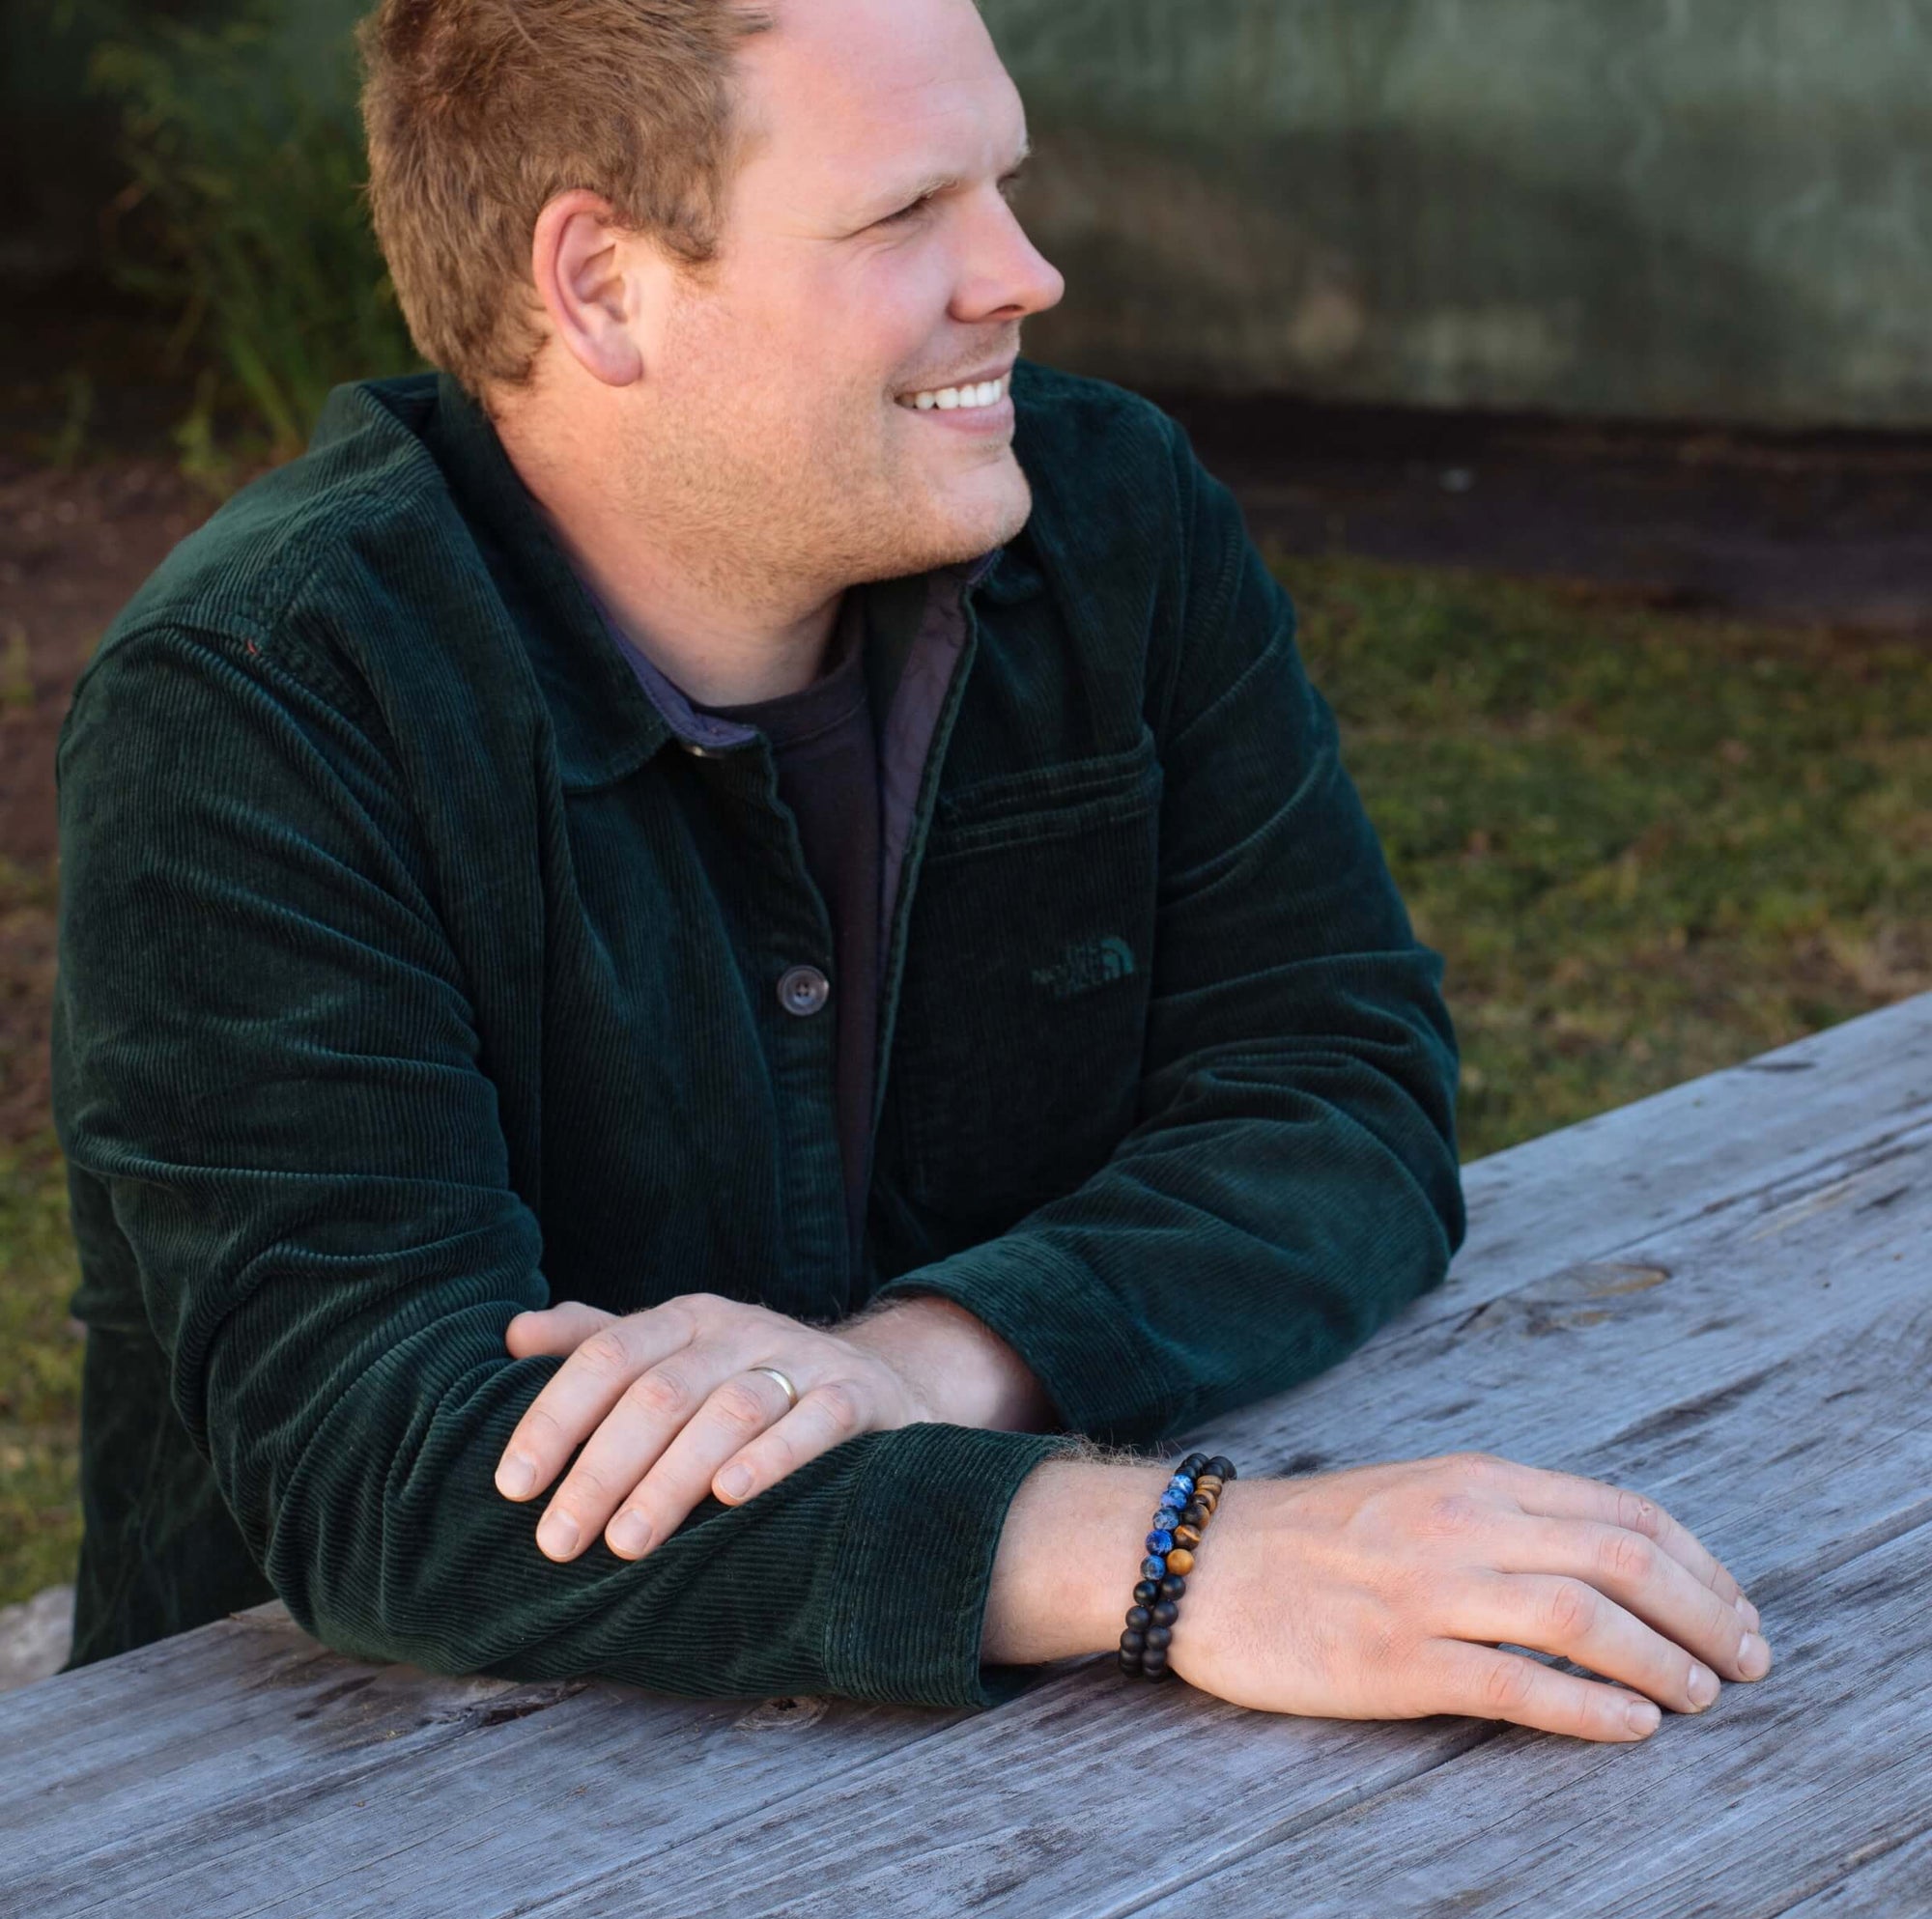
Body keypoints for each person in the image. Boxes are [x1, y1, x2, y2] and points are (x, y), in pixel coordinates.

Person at [51, 0, 1769, 1741]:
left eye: (1004, 187)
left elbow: (1338, 1088)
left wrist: (910, 1362)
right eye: (905, 213)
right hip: (331, 1803)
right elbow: (381, 1462)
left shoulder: (1109, 519)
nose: (1023, 273)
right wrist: (1174, 1557)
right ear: (600, 287)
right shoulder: (266, 695)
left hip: (1029, 1793)